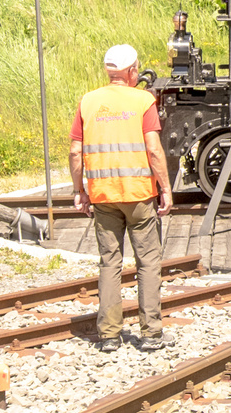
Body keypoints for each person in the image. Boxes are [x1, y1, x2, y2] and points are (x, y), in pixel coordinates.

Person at [70, 44, 174, 353]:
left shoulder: (88, 102)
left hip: (104, 196)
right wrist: (165, 188)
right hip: (140, 195)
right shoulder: (143, 100)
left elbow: (76, 151)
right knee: (148, 263)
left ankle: (110, 336)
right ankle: (151, 333)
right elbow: (154, 149)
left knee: (109, 263)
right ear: (131, 72)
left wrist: (79, 191)